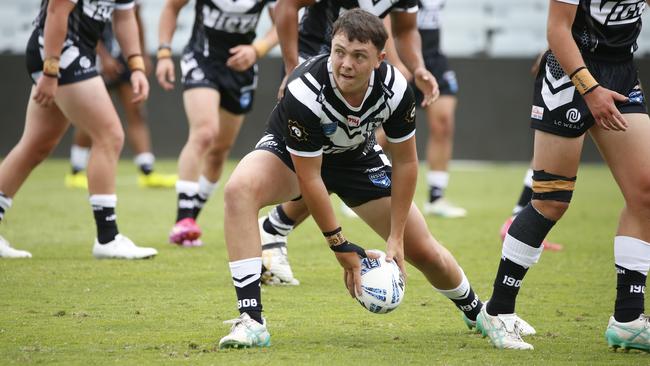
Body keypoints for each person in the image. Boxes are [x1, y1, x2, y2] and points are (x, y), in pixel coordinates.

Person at [217, 9, 488, 348]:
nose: (345, 64)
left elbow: (405, 162)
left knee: (424, 250)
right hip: (292, 154)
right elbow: (312, 179)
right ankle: (251, 320)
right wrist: (339, 245)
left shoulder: (395, 88)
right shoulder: (305, 89)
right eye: (339, 52)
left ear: (380, 59)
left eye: (359, 56)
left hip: (356, 157)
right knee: (238, 190)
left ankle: (480, 313)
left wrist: (397, 237)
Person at [477, 0, 650, 351]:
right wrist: (590, 89)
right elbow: (557, 27)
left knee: (645, 194)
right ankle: (498, 311)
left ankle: (628, 319)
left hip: (621, 73)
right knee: (550, 201)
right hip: (569, 79)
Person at [256, 0, 440, 285]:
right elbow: (286, 6)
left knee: (337, 160)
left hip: (360, 69)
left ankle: (274, 226)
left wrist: (416, 68)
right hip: (316, 67)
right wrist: (292, 66)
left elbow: (404, 30)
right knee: (320, 164)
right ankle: (274, 227)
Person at [0, 0, 158, 259]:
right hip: (60, 51)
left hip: (75, 52)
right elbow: (56, 10)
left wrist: (136, 66)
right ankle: (108, 238)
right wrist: (51, 71)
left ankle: (108, 238)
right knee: (109, 135)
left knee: (35, 145)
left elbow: (125, 17)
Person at [156, 0, 279, 247]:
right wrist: (164, 54)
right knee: (204, 133)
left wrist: (257, 50)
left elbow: (283, 20)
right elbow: (171, 7)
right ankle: (183, 219)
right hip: (202, 61)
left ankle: (190, 220)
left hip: (241, 70)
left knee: (219, 151)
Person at [66, 4, 176, 190]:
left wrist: (141, 56)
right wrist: (104, 56)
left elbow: (134, 17)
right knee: (91, 116)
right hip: (93, 57)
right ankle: (76, 171)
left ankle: (147, 170)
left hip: (126, 57)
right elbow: (83, 26)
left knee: (137, 112)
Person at [416, 0, 466, 218]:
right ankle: (354, 184)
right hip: (404, 58)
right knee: (391, 132)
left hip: (434, 60)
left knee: (444, 123)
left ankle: (436, 197)